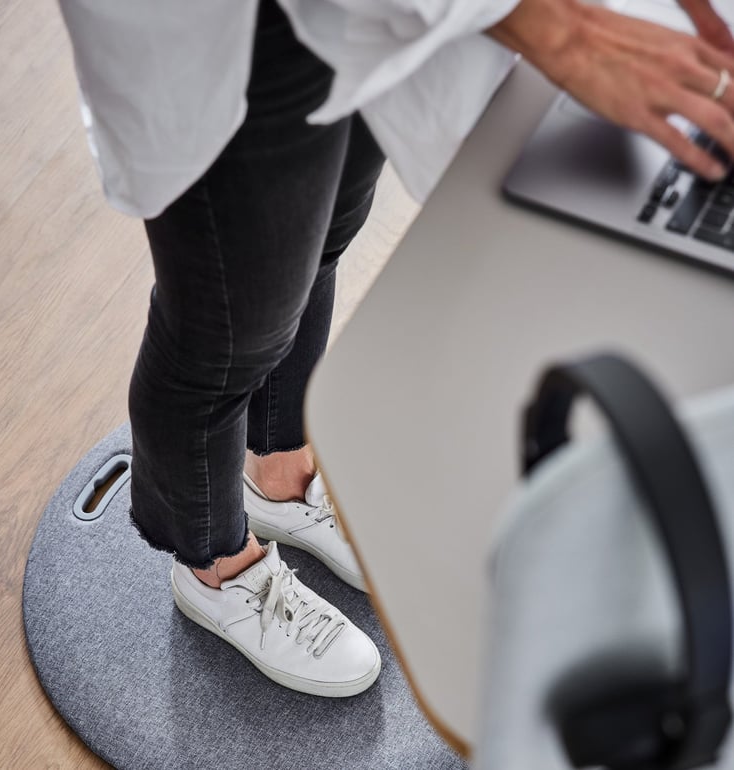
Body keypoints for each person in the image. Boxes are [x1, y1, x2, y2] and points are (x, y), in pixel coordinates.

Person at [57, 0, 734, 698]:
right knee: (227, 333)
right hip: (235, 26)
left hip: (366, 16)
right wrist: (551, 25)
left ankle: (279, 476)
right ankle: (212, 563)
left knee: (320, 236)